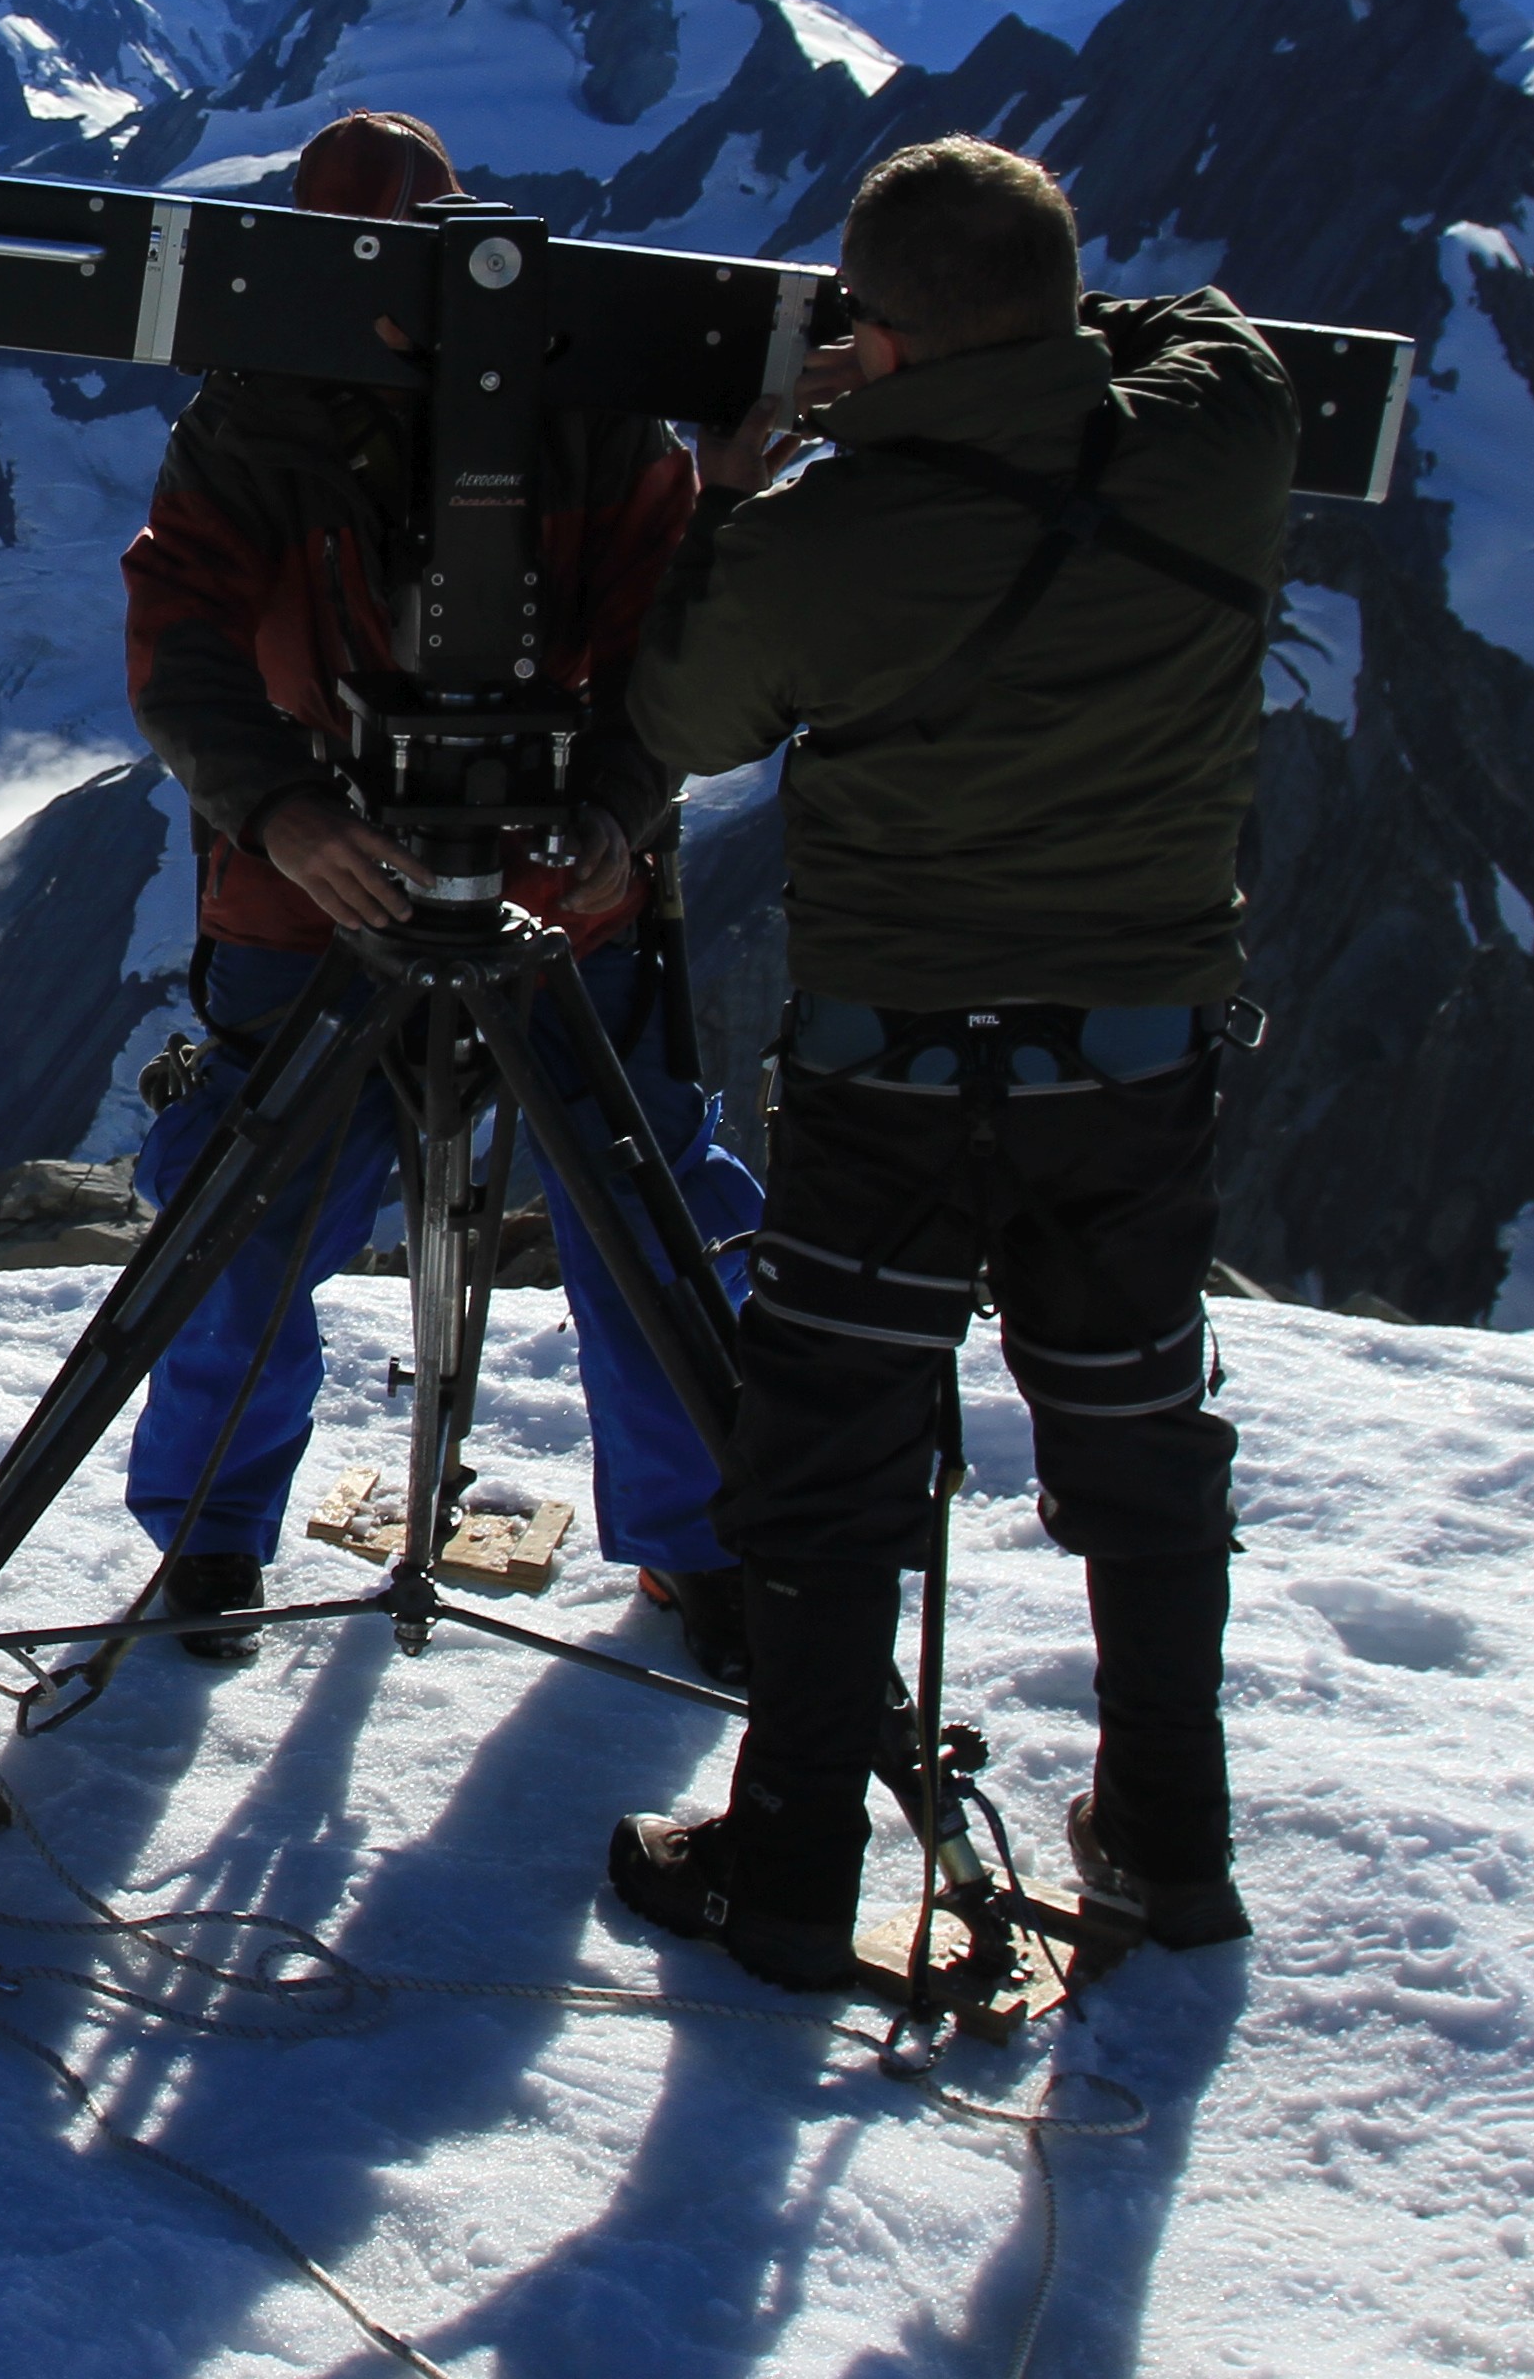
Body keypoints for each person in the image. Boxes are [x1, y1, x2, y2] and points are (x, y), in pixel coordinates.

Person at [602, 134, 1291, 1987]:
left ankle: (794, 1866)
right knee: (1141, 1456)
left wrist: (749, 482)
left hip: (889, 1074)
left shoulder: (824, 539)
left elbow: (680, 711)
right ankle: (1168, 1846)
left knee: (828, 1470)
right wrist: (994, 343)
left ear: (878, 340)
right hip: (1132, 1073)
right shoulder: (1215, 434)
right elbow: (1197, 330)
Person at [114, 109, 762, 1682]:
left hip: (446, 895)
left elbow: (657, 634)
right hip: (338, 899)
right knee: (269, 1220)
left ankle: (697, 1540)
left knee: (624, 1214)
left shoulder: (566, 416)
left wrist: (613, 803)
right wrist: (284, 811)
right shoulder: (268, 418)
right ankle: (219, 1532)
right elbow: (179, 632)